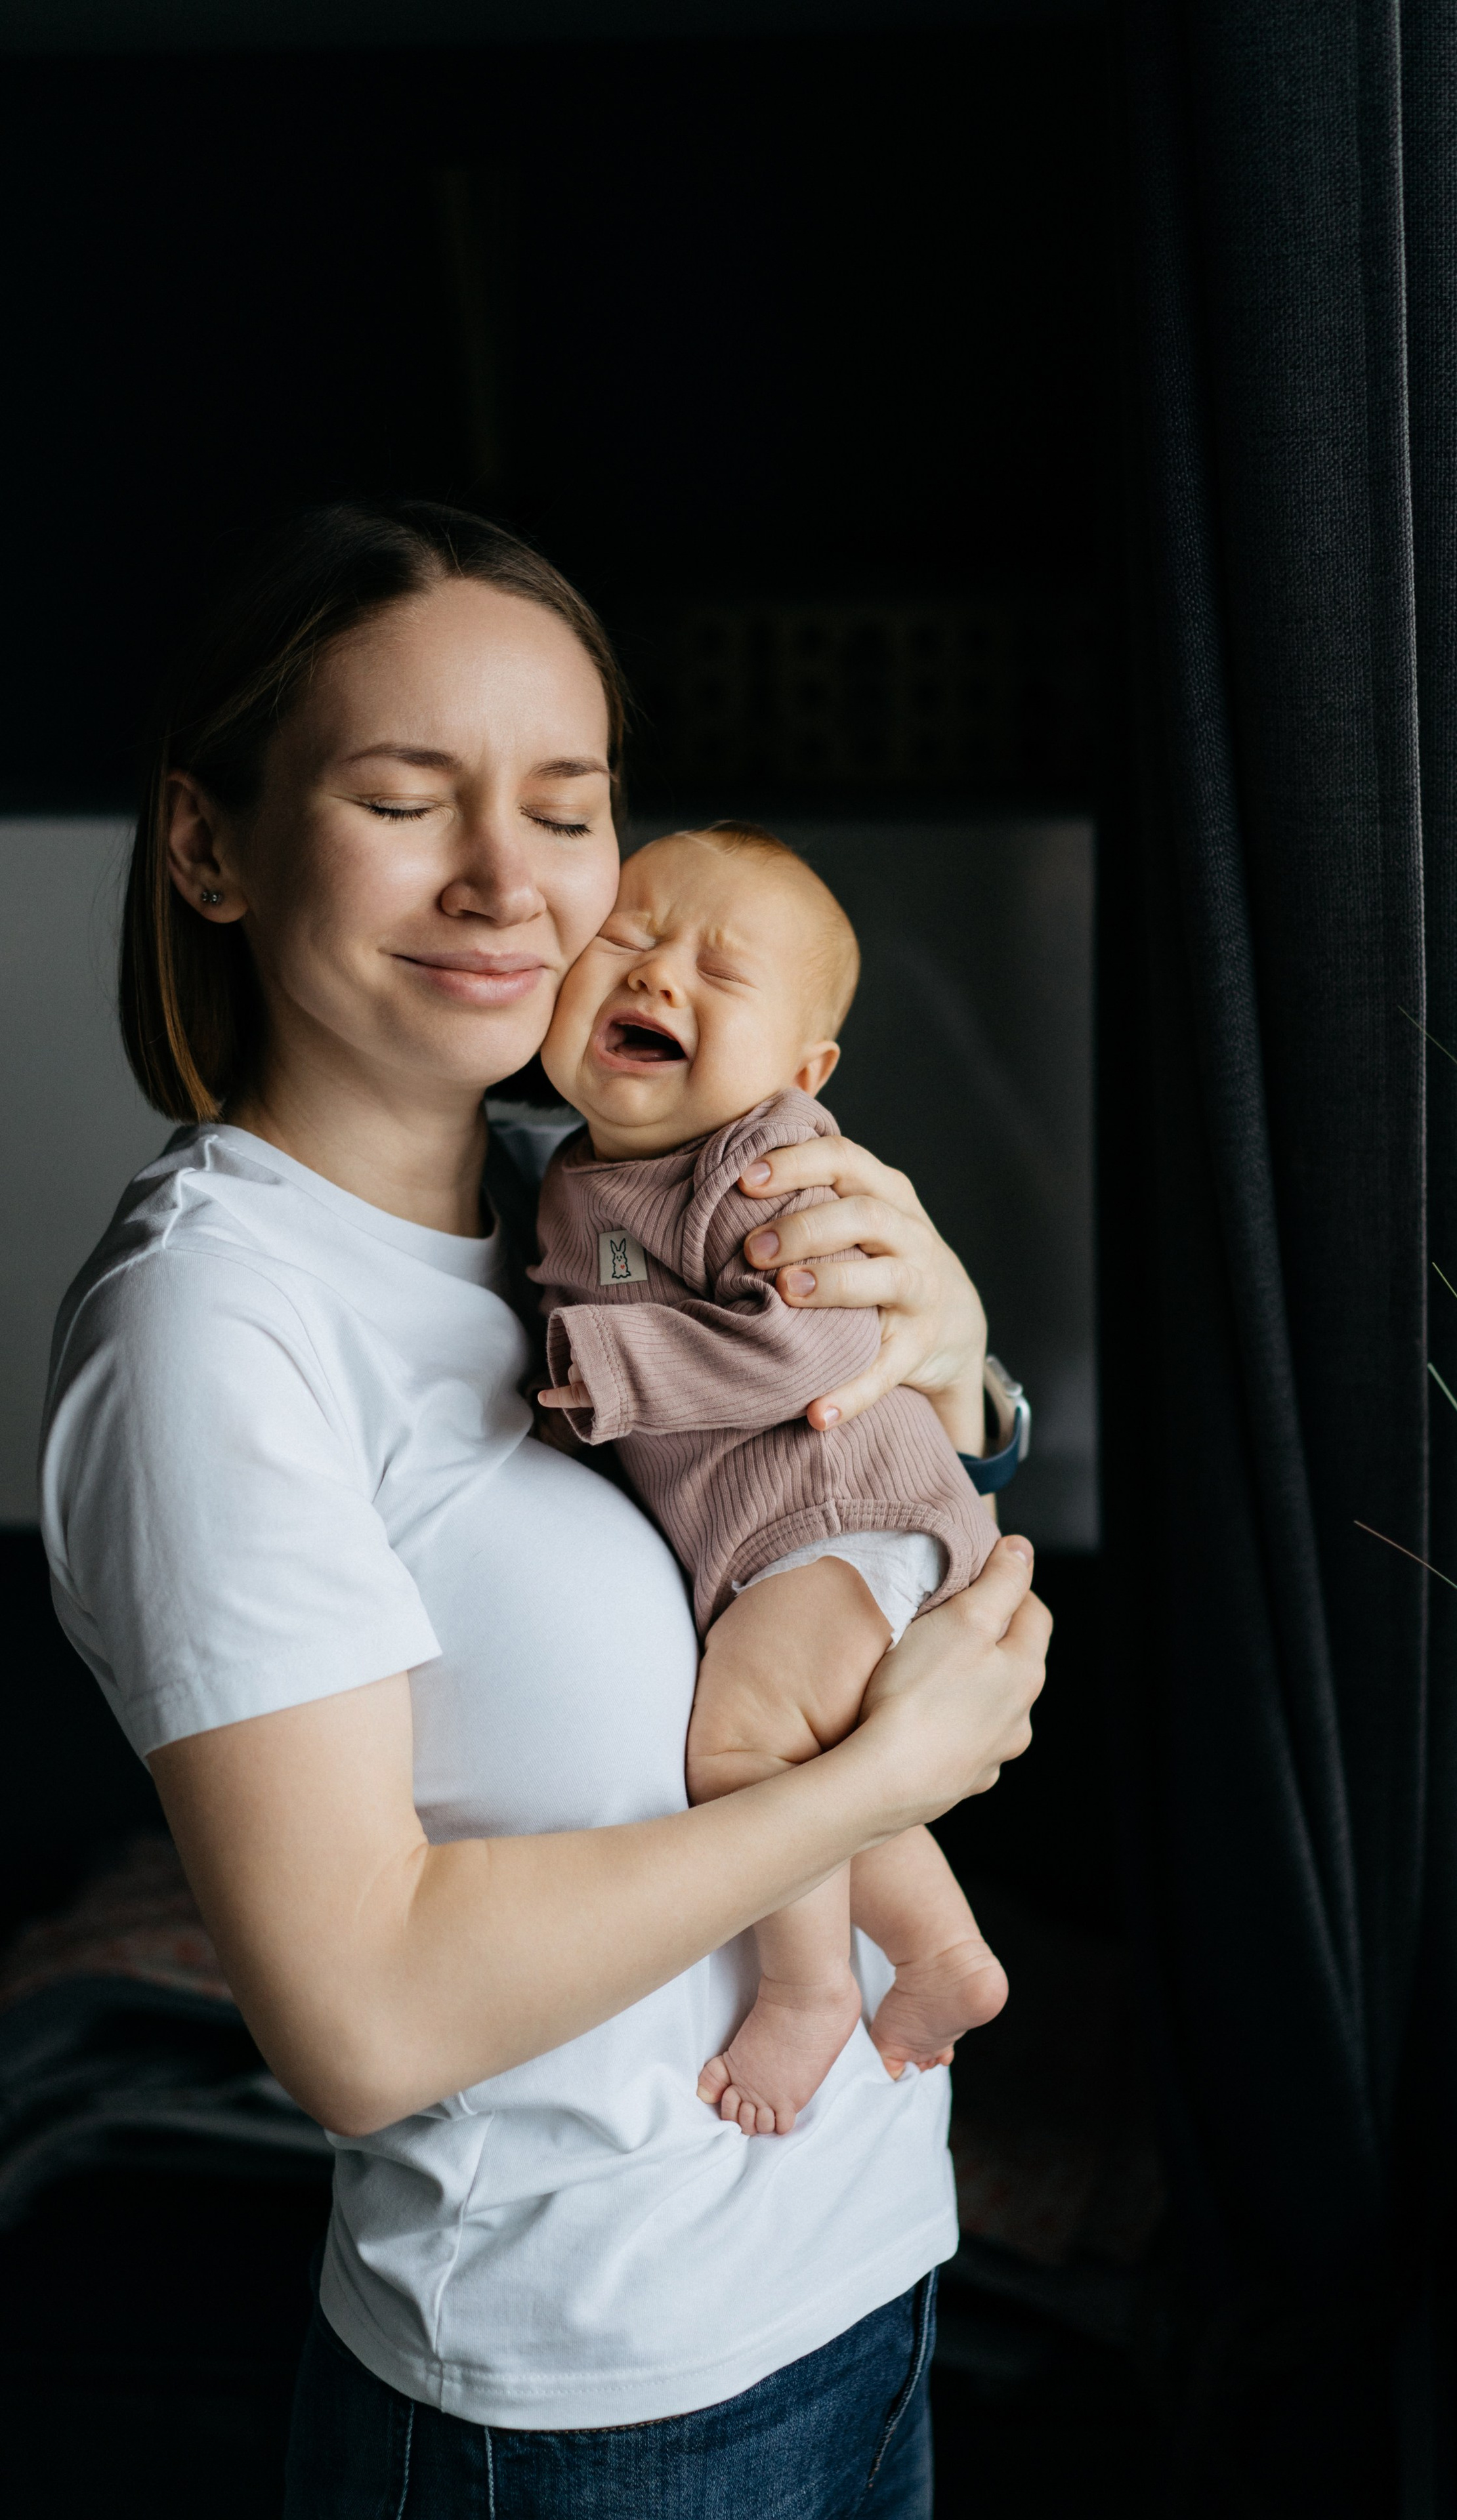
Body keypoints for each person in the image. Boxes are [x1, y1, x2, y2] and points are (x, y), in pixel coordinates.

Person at [36, 501, 1049, 2518]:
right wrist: (874, 1788)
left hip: (861, 2280)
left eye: (568, 808)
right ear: (210, 847)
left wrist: (960, 1372)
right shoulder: (212, 1330)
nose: (511, 879)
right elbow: (360, 2016)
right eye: (406, 801)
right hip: (586, 2410)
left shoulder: (590, 1189)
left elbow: (783, 1504)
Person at [534, 822, 1008, 2141]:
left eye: (720, 971)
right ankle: (940, 1951)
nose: (656, 975)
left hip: (845, 1512)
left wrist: (603, 1370)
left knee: (740, 1748)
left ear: (803, 1069)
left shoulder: (761, 1161)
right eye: (625, 938)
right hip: (787, 1537)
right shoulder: (575, 1171)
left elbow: (818, 1339)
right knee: (811, 1755)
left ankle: (810, 1990)